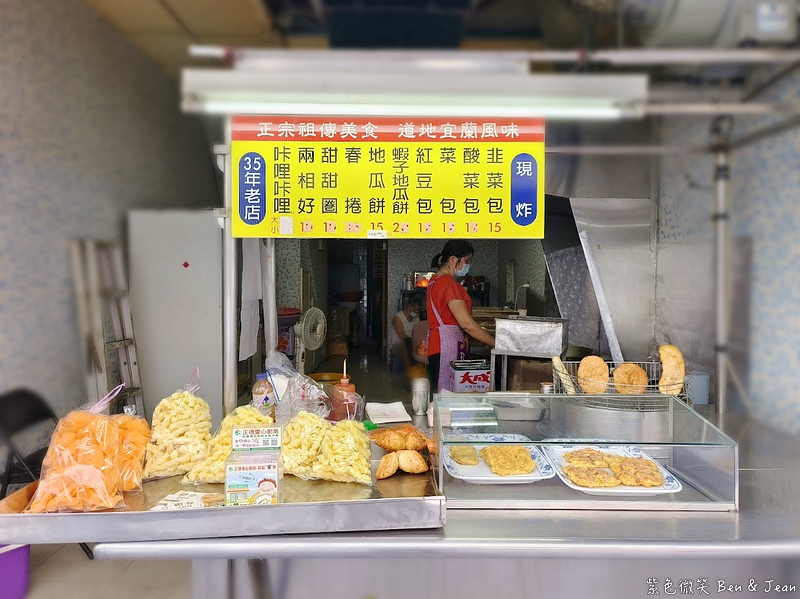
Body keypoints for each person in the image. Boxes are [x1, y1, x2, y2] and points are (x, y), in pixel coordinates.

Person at [426, 240, 495, 393]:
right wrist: (496, 343)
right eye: (466, 261)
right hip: (445, 346)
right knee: (448, 396)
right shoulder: (448, 283)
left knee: (442, 395)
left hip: (437, 345)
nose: (468, 265)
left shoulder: (434, 281)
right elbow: (466, 323)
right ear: (452, 260)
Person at [390, 297, 421, 371]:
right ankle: (409, 372)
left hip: (413, 342)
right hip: (399, 344)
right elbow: (402, 336)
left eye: (418, 310)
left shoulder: (417, 317)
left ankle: (419, 370)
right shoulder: (398, 318)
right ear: (409, 307)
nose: (417, 312)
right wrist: (412, 342)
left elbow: (418, 333)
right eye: (415, 309)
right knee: (405, 345)